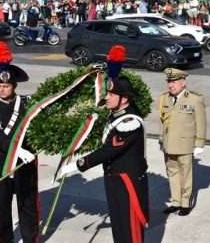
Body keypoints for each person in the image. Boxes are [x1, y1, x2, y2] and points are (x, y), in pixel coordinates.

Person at [60, 46, 149, 243]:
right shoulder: (116, 113)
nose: (106, 97)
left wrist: (78, 165)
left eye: (111, 94)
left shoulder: (130, 122)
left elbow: (109, 150)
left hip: (127, 183)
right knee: (119, 225)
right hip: (115, 179)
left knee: (130, 228)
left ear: (124, 99)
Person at [0, 42, 40, 242]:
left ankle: (31, 239)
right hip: (2, 163)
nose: (2, 89)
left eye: (6, 86)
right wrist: (18, 151)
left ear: (14, 86)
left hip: (24, 164)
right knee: (2, 207)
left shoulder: (27, 103)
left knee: (27, 205)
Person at [158, 68, 206, 216]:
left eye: (174, 82)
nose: (170, 85)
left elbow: (201, 123)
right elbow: (162, 122)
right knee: (172, 173)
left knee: (186, 174)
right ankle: (175, 202)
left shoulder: (194, 99)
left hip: (185, 144)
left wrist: (199, 143)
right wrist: (161, 140)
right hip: (169, 144)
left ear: (183, 83)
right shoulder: (164, 98)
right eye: (169, 82)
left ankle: (185, 203)